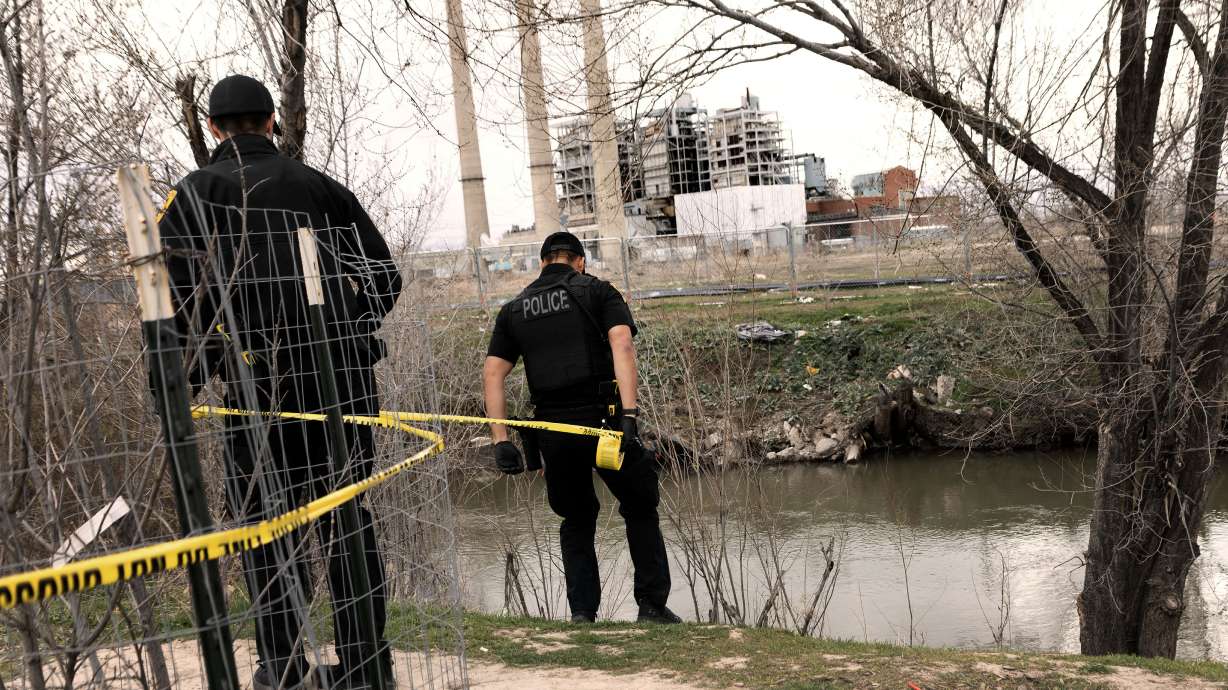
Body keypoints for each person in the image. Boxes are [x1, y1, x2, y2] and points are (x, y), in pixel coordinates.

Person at [157, 74, 402, 690]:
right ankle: (367, 665)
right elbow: (384, 278)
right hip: (340, 385)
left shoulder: (193, 194)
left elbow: (174, 304)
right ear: (273, 121)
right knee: (347, 517)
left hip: (255, 387)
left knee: (267, 527)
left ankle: (282, 666)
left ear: (213, 128)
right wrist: (351, 328)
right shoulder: (321, 188)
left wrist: (204, 362)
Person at [482, 231, 680, 625]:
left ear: (542, 263)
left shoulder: (515, 309)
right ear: (580, 262)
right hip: (605, 425)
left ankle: (583, 615)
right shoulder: (599, 291)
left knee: (576, 518)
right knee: (639, 504)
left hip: (554, 433)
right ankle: (652, 607)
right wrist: (629, 415)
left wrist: (501, 440)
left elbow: (492, 373)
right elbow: (621, 343)